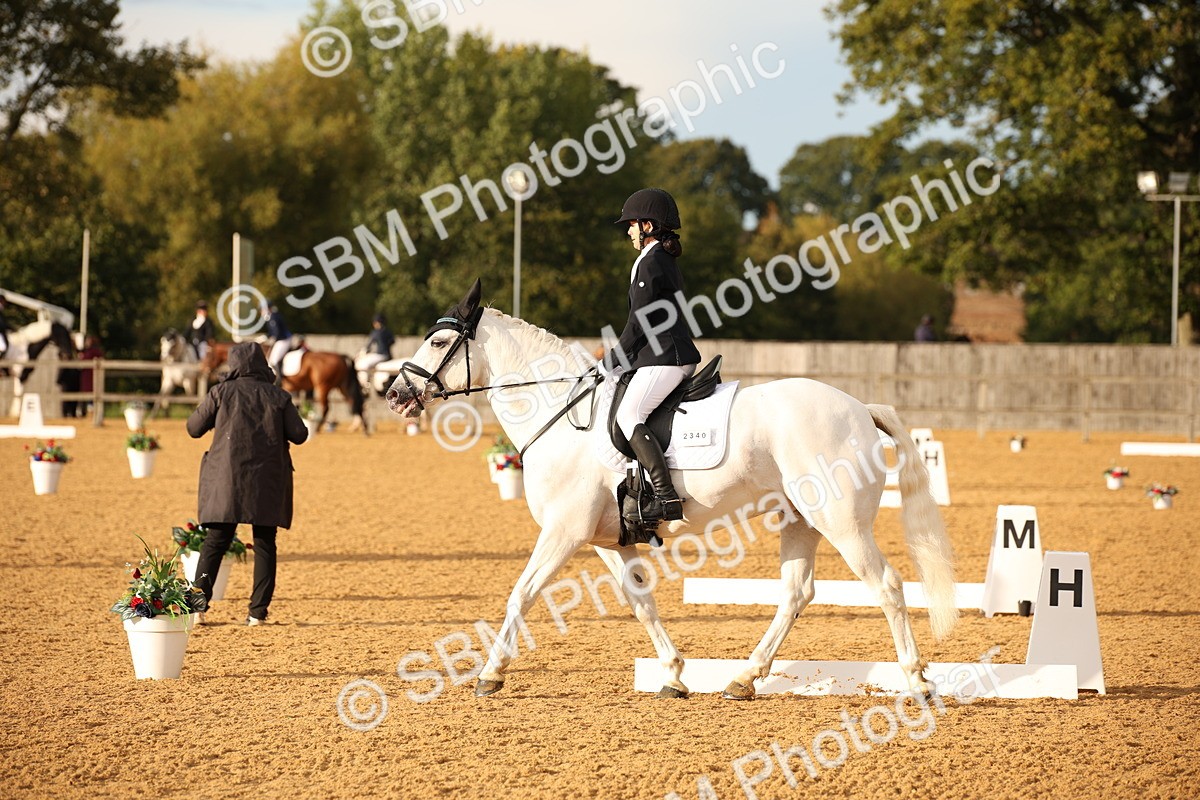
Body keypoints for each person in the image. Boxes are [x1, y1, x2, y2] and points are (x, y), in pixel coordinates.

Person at [186, 342, 308, 624]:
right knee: (265, 543)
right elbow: (299, 434)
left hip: (225, 478)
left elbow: (193, 428)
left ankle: (197, 608)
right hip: (266, 479)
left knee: (215, 543)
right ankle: (257, 613)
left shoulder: (221, 391)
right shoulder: (278, 396)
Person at [601, 188, 701, 523]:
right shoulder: (658, 258)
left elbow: (639, 320)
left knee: (629, 416)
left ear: (647, 225)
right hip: (660, 353)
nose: (627, 231)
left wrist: (613, 357)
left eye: (631, 224)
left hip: (665, 356)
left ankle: (665, 496)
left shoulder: (653, 259)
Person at [356, 312, 394, 389]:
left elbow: (368, 346)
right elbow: (392, 341)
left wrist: (362, 352)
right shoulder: (388, 331)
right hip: (388, 355)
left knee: (363, 364)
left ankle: (365, 383)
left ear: (376, 322)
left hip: (380, 355)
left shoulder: (375, 332)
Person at [262, 300, 292, 384]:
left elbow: (277, 333)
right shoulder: (271, 317)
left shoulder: (273, 317)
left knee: (273, 360)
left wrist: (272, 339)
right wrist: (265, 337)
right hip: (281, 339)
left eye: (262, 309)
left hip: (284, 340)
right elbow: (271, 332)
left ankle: (279, 381)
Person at [78, 335, 103, 415]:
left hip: (92, 376)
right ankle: (83, 412)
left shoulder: (95, 351)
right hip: (85, 376)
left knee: (92, 394)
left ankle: (92, 413)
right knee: (84, 395)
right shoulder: (84, 351)